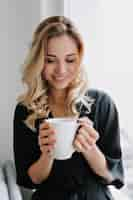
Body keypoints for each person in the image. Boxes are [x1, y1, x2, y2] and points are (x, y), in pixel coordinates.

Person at [13, 16, 124, 200]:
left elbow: (111, 175)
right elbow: (31, 180)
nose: (61, 70)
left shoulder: (102, 104)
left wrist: (89, 148)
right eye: (50, 60)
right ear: (38, 61)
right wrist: (47, 153)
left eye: (70, 60)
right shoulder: (26, 110)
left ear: (79, 59)